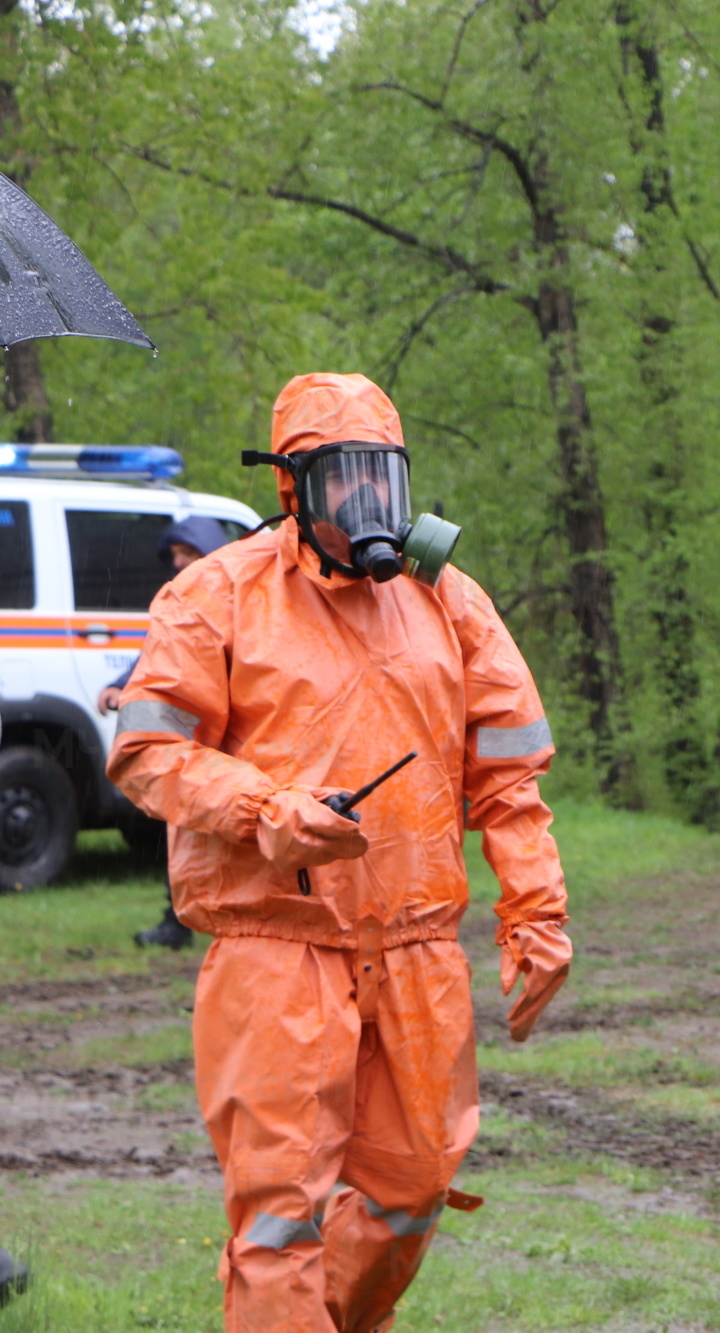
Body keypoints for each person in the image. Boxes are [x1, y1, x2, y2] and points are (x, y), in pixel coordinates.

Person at [107, 372, 571, 1333]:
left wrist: (535, 912)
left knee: (411, 1191)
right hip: (278, 949)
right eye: (340, 482)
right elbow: (148, 754)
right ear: (292, 489)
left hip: (417, 951)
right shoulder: (217, 596)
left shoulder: (449, 601)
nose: (367, 507)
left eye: (383, 481)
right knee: (279, 1219)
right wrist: (270, 809)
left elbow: (511, 777)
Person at [96, 515, 235, 950]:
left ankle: (229, 922)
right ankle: (179, 920)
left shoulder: (244, 601)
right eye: (174, 554)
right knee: (183, 829)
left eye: (187, 553)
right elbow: (156, 660)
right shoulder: (180, 607)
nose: (177, 562)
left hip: (236, 751)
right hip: (190, 747)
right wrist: (122, 685)